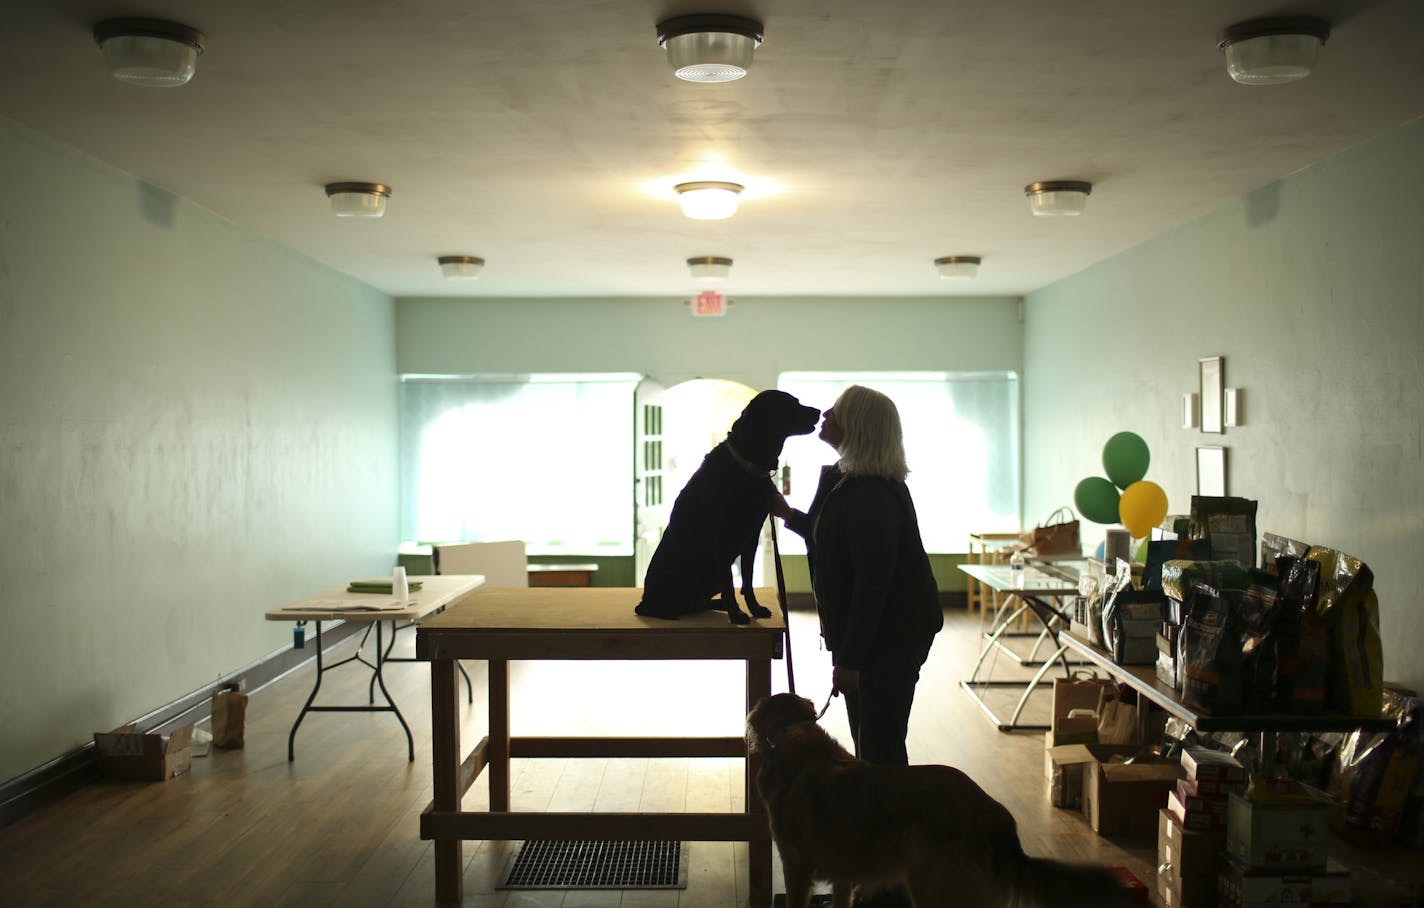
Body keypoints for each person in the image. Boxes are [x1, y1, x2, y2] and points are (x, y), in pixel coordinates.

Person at [772, 384, 942, 767]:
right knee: (868, 736)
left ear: (857, 426)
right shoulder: (847, 480)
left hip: (891, 636)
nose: (825, 414)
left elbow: (873, 583)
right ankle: (878, 819)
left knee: (879, 744)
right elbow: (828, 536)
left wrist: (850, 661)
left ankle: (888, 821)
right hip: (875, 634)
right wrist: (787, 514)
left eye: (835, 410)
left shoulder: (871, 495)